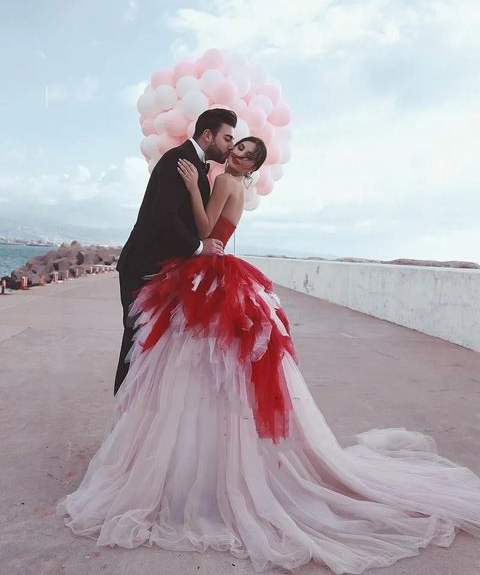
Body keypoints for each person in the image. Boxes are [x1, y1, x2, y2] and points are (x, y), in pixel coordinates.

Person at [58, 137, 480, 575]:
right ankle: (212, 459)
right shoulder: (235, 184)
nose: (236, 153)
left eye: (245, 152)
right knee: (213, 366)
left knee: (195, 362)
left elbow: (204, 232)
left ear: (252, 164)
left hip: (210, 268)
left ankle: (196, 465)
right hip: (217, 271)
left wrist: (189, 188)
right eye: (236, 146)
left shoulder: (227, 183)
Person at [113, 108, 237, 395]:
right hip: (142, 268)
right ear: (208, 135)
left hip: (160, 270)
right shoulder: (179, 160)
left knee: (150, 348)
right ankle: (123, 419)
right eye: (227, 138)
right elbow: (163, 216)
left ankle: (138, 417)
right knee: (136, 343)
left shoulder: (197, 165)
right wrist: (199, 247)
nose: (231, 145)